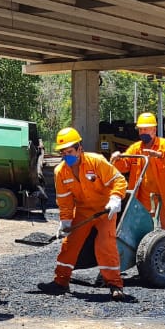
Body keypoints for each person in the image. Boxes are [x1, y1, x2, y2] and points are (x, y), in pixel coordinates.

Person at [39, 127, 128, 297]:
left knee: (104, 245)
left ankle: (115, 285)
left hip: (105, 210)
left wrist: (116, 198)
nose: (66, 156)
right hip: (82, 211)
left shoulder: (97, 162)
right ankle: (61, 282)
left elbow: (119, 180)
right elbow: (64, 200)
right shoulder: (60, 172)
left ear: (80, 149)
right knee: (69, 243)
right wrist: (65, 221)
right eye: (63, 153)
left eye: (70, 151)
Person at [113, 112, 165, 236]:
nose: (142, 132)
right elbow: (124, 166)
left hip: (164, 195)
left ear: (154, 130)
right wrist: (117, 159)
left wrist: (160, 154)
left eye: (145, 129)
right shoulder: (135, 148)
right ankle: (144, 252)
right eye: (140, 130)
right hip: (143, 197)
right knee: (143, 227)